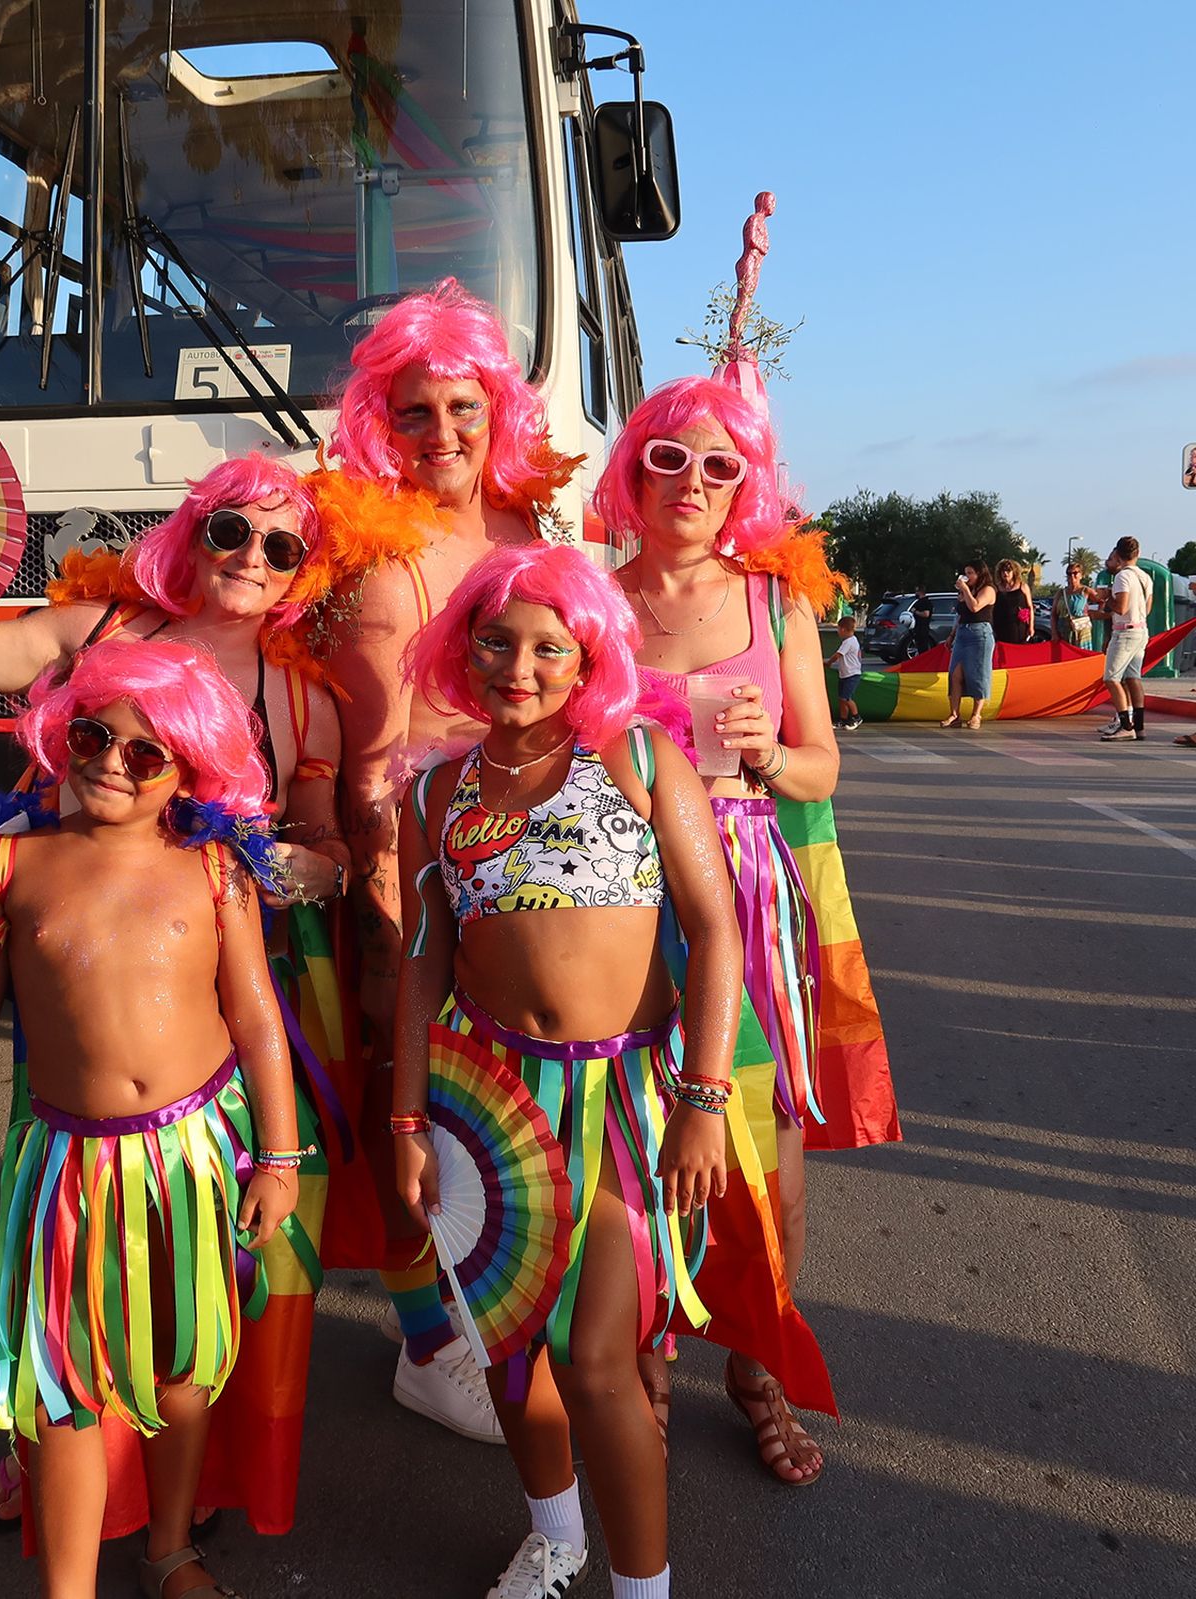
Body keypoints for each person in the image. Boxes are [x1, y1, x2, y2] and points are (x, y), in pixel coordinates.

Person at [0, 454, 347, 1531]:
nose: (251, 557)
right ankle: (48, 1448)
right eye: (230, 530)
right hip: (62, 953)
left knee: (193, 1267)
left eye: (281, 546)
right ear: (191, 530)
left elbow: (326, 843)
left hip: (205, 975)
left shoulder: (301, 693)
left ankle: (182, 1490)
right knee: (59, 1238)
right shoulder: (99, 628)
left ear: (302, 569)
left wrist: (299, 866)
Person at [0, 639, 304, 1599]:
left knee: (185, 1364)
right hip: (66, 1168)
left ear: (192, 766)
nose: (112, 763)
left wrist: (279, 1155)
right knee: (61, 1384)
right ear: (63, 734)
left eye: (146, 753)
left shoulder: (215, 867)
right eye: (94, 737)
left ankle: (169, 1547)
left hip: (192, 1157)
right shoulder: (15, 860)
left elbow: (258, 1017)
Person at [394, 544, 743, 1599]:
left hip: (622, 1100)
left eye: (551, 647)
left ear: (590, 657)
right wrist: (406, 1123)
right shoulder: (436, 792)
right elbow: (422, 965)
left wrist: (704, 1097)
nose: (521, 667)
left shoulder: (638, 758)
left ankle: (644, 1591)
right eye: (497, 641)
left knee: (595, 1364)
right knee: (506, 1347)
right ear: (463, 648)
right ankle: (556, 1537)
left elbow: (714, 928)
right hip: (487, 1103)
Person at [310, 279, 581, 1442]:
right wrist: (392, 912)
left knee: (511, 1095)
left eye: (462, 406)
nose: (442, 433)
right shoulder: (380, 560)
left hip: (531, 868)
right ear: (380, 421)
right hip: (424, 873)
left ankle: (495, 1309)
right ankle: (427, 1343)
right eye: (413, 412)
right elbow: (370, 768)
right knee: (408, 1100)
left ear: (497, 409)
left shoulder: (525, 531)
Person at [598, 375, 853, 1488]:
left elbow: (822, 766)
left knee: (771, 1163)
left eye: (720, 466)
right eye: (669, 458)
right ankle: (647, 1360)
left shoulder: (774, 603)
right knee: (635, 1141)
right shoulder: (590, 602)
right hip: (622, 887)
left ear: (745, 484)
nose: (692, 482)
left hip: (746, 884)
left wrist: (767, 753)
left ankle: (758, 1364)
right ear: (634, 468)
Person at [1096, 536, 1153, 742]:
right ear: (1137, 554)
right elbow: (1148, 608)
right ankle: (1139, 726)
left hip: (1125, 632)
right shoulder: (1145, 577)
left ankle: (1126, 725)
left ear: (1118, 555)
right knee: (1133, 678)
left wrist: (1106, 598)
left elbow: (1121, 607)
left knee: (1111, 678)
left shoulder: (1122, 577)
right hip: (1141, 630)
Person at [942, 562, 997, 729]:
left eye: (970, 573)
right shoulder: (967, 591)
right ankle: (954, 714)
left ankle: (976, 715)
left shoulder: (988, 590)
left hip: (980, 635)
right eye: (965, 573)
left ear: (980, 574)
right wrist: (952, 635)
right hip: (963, 633)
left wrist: (965, 589)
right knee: (955, 674)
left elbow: (975, 607)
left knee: (978, 674)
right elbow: (961, 615)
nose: (967, 576)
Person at [826, 615, 863, 729]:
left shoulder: (849, 642)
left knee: (846, 698)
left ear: (843, 629)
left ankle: (856, 717)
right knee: (841, 699)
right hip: (845, 674)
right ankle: (843, 719)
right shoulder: (852, 640)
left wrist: (829, 662)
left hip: (852, 675)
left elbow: (838, 655)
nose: (838, 632)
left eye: (838, 629)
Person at [992, 558, 1034, 645]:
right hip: (1000, 625)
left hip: (1018, 626)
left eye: (1008, 570)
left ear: (1014, 572)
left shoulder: (1023, 586)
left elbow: (1030, 607)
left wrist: (1031, 626)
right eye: (1003, 571)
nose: (1005, 573)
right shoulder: (996, 588)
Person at [1054, 561, 1093, 647]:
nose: (1072, 576)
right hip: (1063, 632)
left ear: (1081, 575)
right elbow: (1054, 614)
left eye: (1075, 573)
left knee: (1081, 653)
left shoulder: (1086, 591)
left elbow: (1100, 600)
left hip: (1081, 631)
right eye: (1069, 573)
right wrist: (1054, 633)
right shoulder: (1061, 593)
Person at [909, 585, 933, 655]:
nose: (915, 593)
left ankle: (924, 659)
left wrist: (915, 611)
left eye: (916, 591)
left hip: (923, 628)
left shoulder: (925, 602)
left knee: (923, 647)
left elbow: (926, 614)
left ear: (920, 592)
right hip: (917, 628)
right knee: (919, 646)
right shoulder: (918, 602)